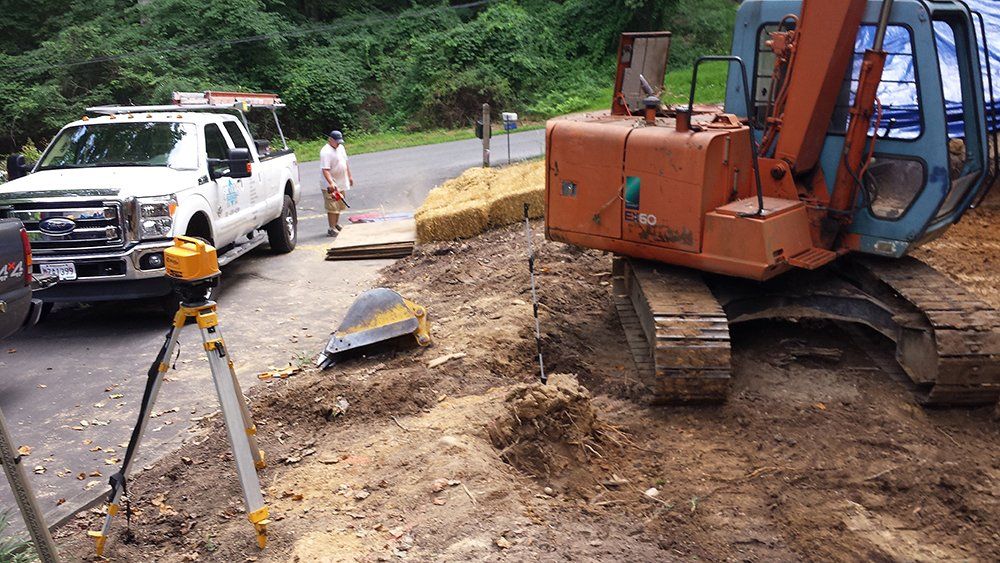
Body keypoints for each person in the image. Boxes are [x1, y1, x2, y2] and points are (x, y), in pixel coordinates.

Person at [320, 130, 354, 236]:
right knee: (332, 206)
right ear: (330, 140)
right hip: (330, 185)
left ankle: (336, 224)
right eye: (337, 141)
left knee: (339, 204)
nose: (338, 143)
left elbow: (345, 162)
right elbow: (325, 169)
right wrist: (331, 182)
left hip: (341, 181)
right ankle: (331, 227)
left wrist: (349, 176)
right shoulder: (325, 152)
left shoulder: (341, 148)